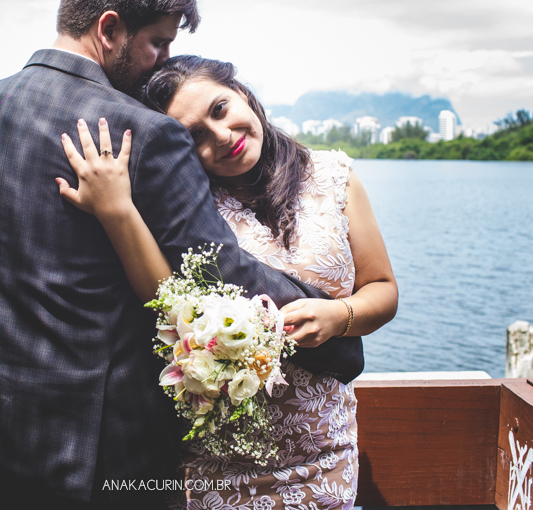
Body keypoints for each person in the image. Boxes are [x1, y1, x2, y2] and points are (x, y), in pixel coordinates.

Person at [0, 0, 364, 510]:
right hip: (100, 455)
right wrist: (337, 341)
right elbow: (216, 272)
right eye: (158, 42)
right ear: (109, 29)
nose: (160, 60)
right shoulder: (142, 132)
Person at [57, 55, 398, 509]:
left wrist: (341, 315)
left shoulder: (334, 176)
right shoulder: (188, 207)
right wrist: (115, 209)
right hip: (219, 462)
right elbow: (164, 297)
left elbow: (383, 290)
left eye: (220, 109)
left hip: (325, 453)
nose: (221, 136)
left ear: (241, 93)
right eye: (194, 135)